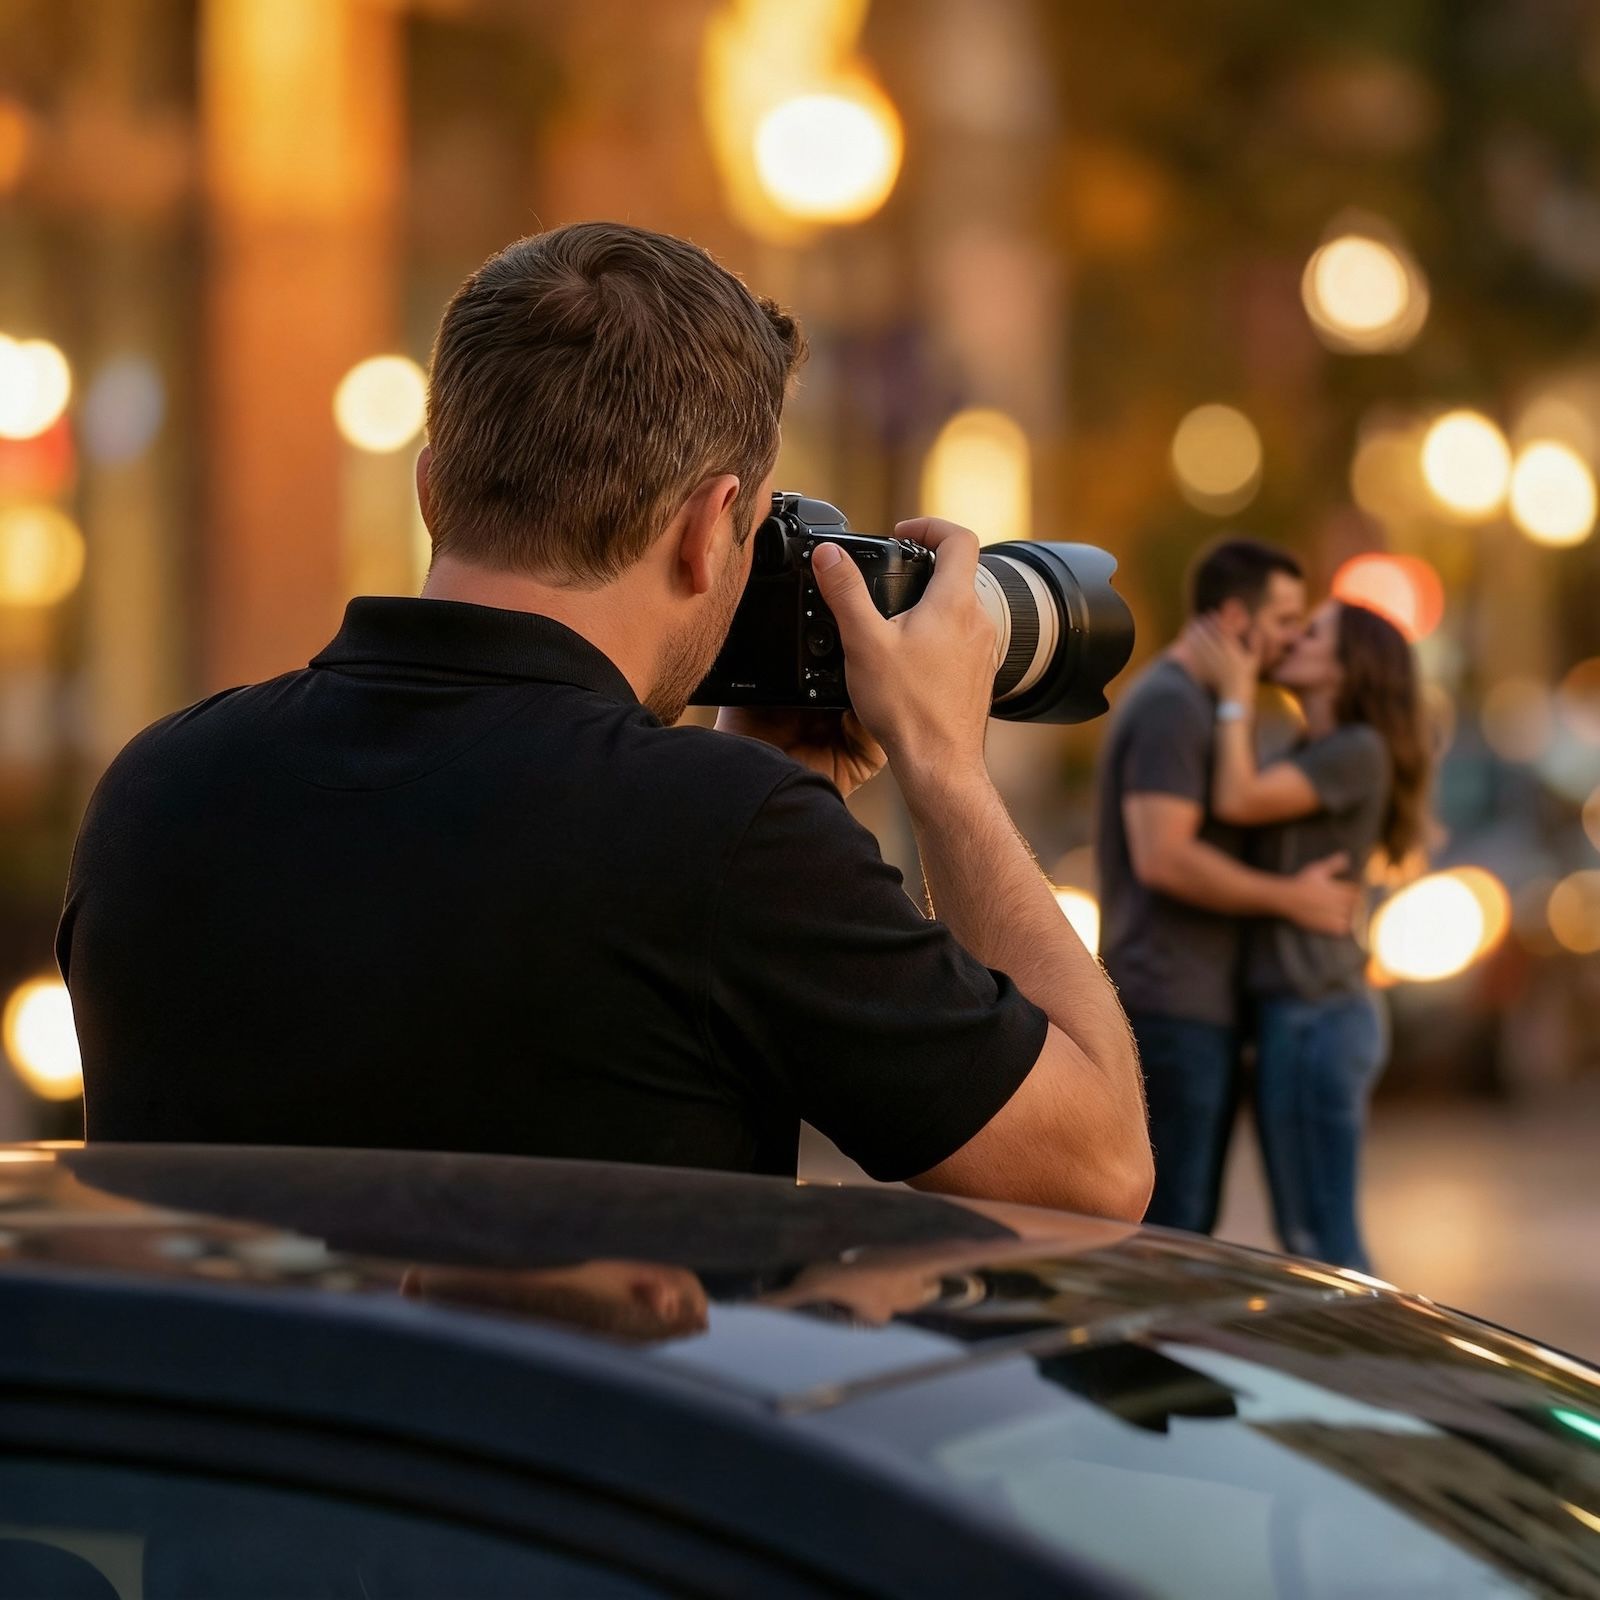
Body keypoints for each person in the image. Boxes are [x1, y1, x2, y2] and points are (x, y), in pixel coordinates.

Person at [56, 222, 1152, 1222]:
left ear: (433, 490)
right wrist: (942, 763)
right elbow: (1094, 1170)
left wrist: (754, 796)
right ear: (709, 525)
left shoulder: (161, 787)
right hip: (569, 1445)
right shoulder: (726, 846)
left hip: (202, 1439)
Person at [1093, 538, 1360, 1235]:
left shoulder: (1209, 706)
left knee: (1185, 1230)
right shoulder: (1173, 705)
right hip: (1169, 1007)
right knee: (1169, 1238)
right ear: (1237, 619)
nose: (1297, 636)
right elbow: (1165, 858)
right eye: (1286, 619)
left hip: (1199, 1007)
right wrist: (1290, 898)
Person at [1184, 598, 1431, 1270]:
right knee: (1306, 1241)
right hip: (1296, 1014)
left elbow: (1237, 799)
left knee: (1325, 1244)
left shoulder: (1357, 750)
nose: (1291, 639)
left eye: (1311, 632)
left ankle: (1375, 1373)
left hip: (1319, 1014)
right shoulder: (1313, 750)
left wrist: (1235, 694)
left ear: (1348, 667)